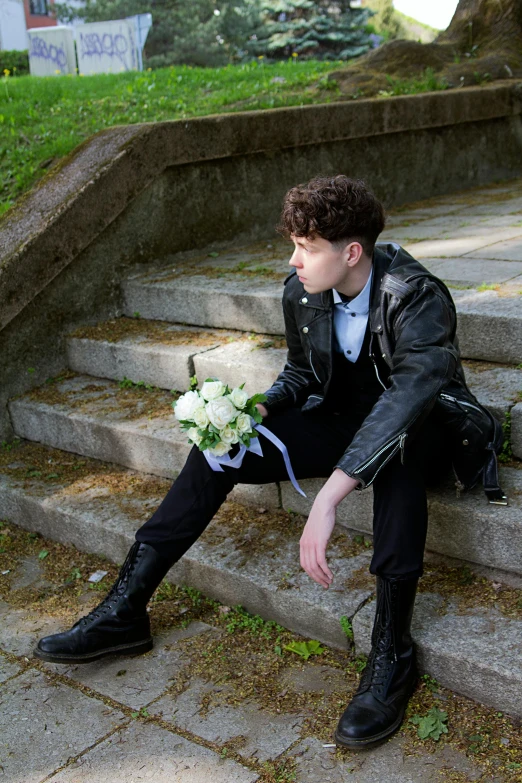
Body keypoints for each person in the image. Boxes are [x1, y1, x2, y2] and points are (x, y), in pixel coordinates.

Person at [34, 175, 504, 749]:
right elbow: (305, 373)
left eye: (306, 246)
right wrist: (252, 409)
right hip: (342, 421)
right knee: (223, 445)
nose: (294, 259)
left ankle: (391, 654)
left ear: (351, 252)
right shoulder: (302, 290)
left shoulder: (416, 296)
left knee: (396, 455)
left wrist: (331, 495)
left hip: (425, 429)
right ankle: (125, 609)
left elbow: (409, 395)